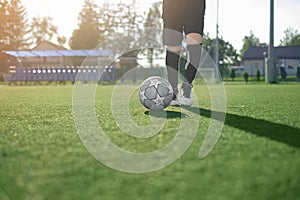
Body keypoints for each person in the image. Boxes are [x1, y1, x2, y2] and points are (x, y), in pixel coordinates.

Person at [162, 0, 206, 106]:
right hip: (172, 4)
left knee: (195, 39)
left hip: (194, 4)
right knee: (173, 46)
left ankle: (186, 88)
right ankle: (173, 90)